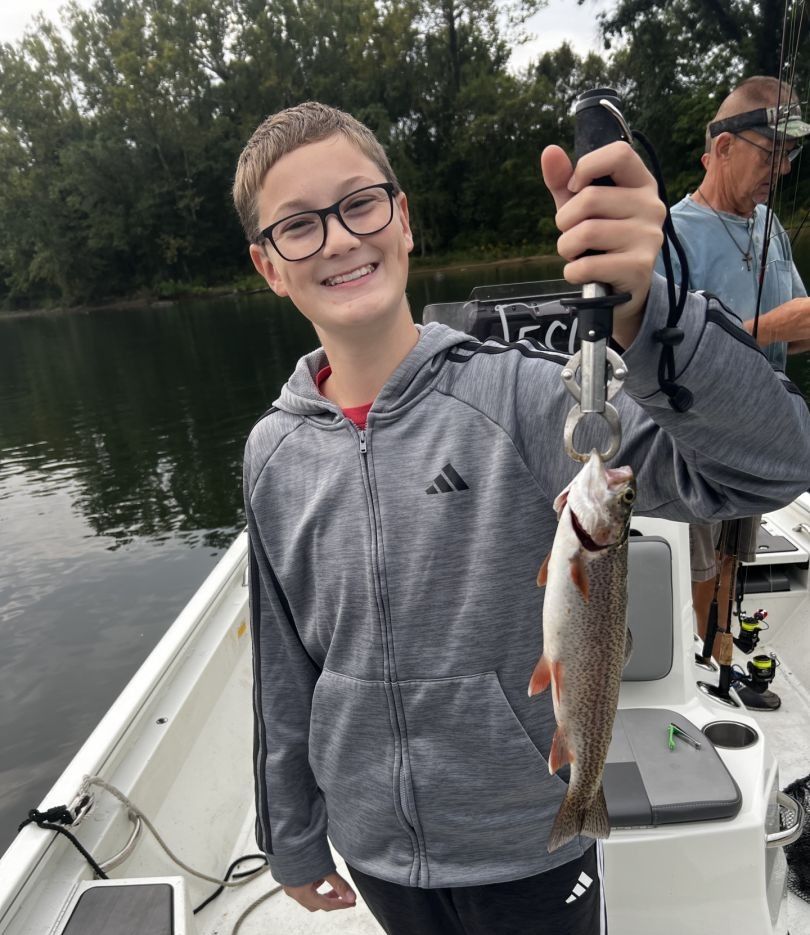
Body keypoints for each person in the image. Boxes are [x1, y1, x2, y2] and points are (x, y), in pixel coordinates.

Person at [232, 101, 810, 934]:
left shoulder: (528, 397)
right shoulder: (272, 451)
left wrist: (651, 316)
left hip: (531, 839)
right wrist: (291, 835)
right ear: (268, 265)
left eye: (360, 204)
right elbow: (282, 665)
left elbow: (774, 465)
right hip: (377, 850)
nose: (338, 238)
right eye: (298, 225)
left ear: (403, 219)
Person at [656, 76, 810, 710]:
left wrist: (790, 328)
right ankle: (694, 673)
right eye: (770, 153)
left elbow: (791, 329)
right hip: (695, 436)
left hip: (759, 427)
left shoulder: (770, 225)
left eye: (790, 155)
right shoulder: (671, 234)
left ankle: (718, 660)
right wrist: (769, 327)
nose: (782, 169)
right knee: (696, 560)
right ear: (721, 147)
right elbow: (662, 352)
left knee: (733, 557)